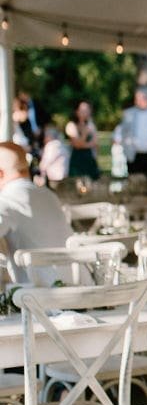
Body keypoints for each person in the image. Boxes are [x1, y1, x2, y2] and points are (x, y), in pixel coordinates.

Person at [0, 141, 71, 276]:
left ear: (1, 173)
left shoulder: (7, 200)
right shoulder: (48, 194)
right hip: (80, 283)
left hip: (41, 293)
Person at [65, 100, 100, 179]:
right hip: (77, 161)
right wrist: (84, 134)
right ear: (77, 111)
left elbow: (95, 143)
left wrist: (83, 145)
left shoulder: (91, 125)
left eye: (87, 110)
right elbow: (77, 145)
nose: (85, 113)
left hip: (89, 160)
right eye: (82, 110)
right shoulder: (71, 125)